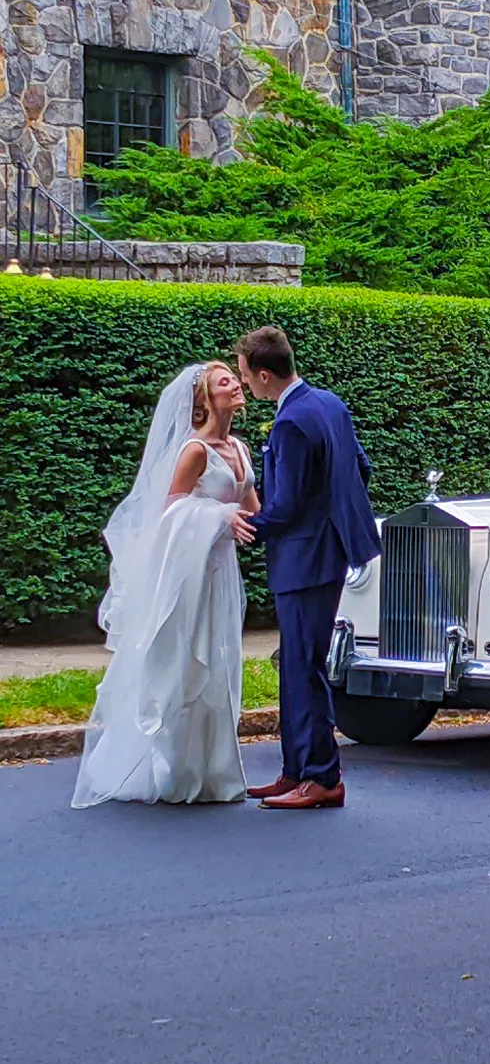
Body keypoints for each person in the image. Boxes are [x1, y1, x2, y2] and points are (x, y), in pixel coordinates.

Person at [72, 363, 259, 808]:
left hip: (221, 573)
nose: (235, 384)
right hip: (189, 574)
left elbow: (254, 507)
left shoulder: (240, 448)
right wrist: (218, 516)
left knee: (222, 658)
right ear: (204, 401)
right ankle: (171, 768)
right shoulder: (195, 451)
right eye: (223, 382)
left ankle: (213, 772)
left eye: (234, 378)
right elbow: (170, 509)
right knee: (186, 660)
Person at [235, 326, 380, 810]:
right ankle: (295, 769)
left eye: (246, 377)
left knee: (303, 666)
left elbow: (287, 505)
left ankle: (322, 776)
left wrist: (244, 529)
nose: (246, 388)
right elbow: (360, 468)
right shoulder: (330, 404)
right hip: (328, 552)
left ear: (262, 374)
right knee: (298, 664)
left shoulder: (291, 423)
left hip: (305, 558)